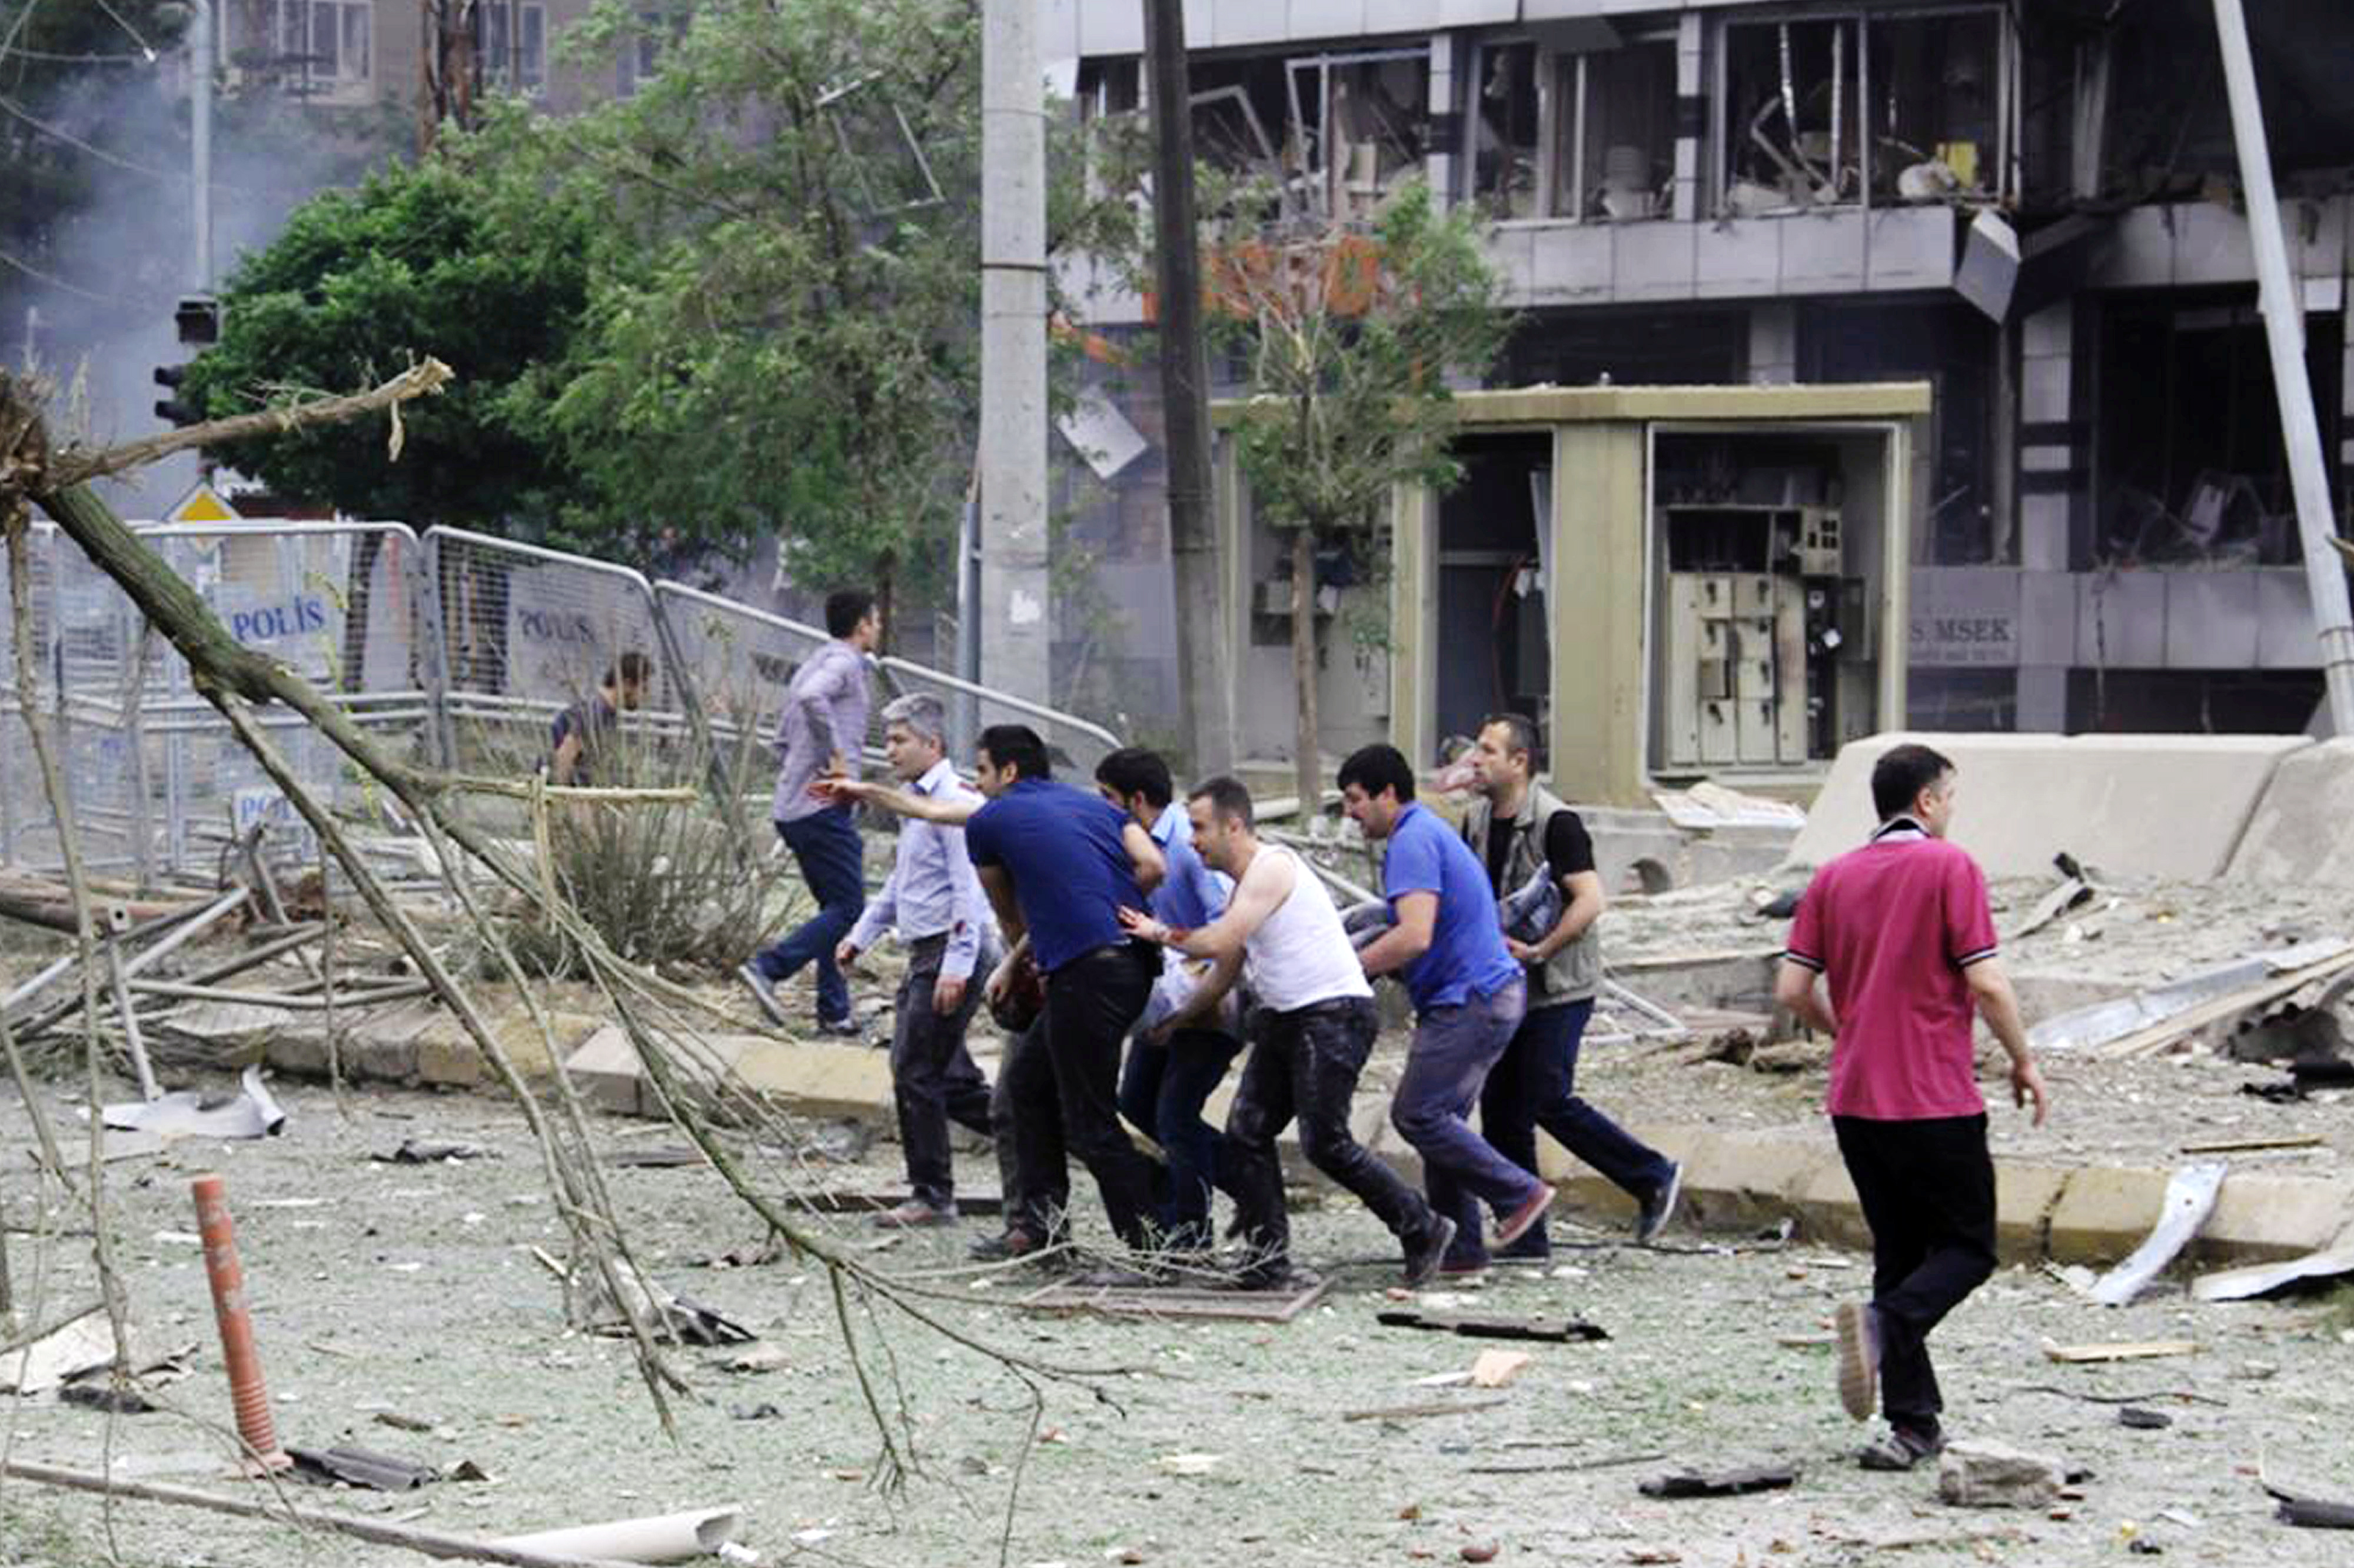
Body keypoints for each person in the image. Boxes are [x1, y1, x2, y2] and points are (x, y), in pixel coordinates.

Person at [1774, 742, 2050, 1472]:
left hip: (1856, 1099)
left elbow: (1792, 991)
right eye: (1949, 796)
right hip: (1933, 1095)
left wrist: (1848, 1031)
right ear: (1927, 801)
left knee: (1898, 1253)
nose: (1951, 810)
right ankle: (1883, 1327)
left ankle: (1912, 1424)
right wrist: (2022, 1058)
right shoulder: (1948, 867)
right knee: (1968, 1247)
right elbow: (1986, 982)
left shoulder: (1832, 877)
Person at [1121, 777, 1457, 1289]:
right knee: (1247, 1132)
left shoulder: (1272, 867)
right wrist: (1180, 1019)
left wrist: (1159, 932)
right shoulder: (1242, 888)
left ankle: (1422, 1226)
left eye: (1201, 828)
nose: (1193, 840)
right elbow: (1227, 968)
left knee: (1326, 1142)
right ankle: (1268, 1258)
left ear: (1234, 826)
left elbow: (1219, 941)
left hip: (1333, 1014)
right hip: (1284, 1017)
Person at [1462, 714, 1681, 1261]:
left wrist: (1541, 949)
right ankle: (1525, 1230)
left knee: (1546, 1095)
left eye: (1488, 750)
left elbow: (1590, 899)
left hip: (1558, 985)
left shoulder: (1556, 821)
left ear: (1520, 762)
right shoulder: (1476, 820)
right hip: (1504, 985)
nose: (1476, 760)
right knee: (1501, 1109)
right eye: (1477, 749)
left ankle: (1651, 1175)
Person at [1339, 743, 1552, 1270]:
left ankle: (1519, 1194)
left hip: (1472, 998)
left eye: (1356, 799)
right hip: (1479, 995)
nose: (1350, 812)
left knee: (1419, 1113)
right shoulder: (1422, 834)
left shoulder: (1412, 841)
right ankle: (1461, 1250)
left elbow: (1414, 935)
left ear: (1389, 793)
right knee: (1442, 1119)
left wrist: (1350, 969)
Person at [959, 725, 1169, 1258]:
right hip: (1131, 964)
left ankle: (1151, 1248)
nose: (977, 782)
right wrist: (1109, 906)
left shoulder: (988, 821)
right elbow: (1153, 865)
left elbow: (1010, 916)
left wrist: (1025, 965)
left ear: (1008, 772)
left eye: (981, 770)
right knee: (1027, 1087)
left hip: (1087, 975)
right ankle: (1043, 1230)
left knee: (1088, 1118)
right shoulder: (1097, 808)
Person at [836, 694, 998, 1228]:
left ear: (933, 743)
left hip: (949, 951)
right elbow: (903, 883)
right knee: (951, 1082)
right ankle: (1035, 1134)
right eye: (888, 739)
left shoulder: (953, 803)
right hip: (926, 950)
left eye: (900, 740)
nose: (890, 750)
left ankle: (932, 1194)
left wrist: (957, 965)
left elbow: (967, 892)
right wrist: (861, 935)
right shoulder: (913, 802)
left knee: (914, 1071)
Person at [1094, 747, 1241, 1253]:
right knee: (1137, 1101)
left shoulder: (1189, 845)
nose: (1102, 808)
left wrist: (1193, 993)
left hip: (1209, 1000)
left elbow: (1227, 931)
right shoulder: (1139, 849)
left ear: (1136, 800)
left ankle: (1192, 1231)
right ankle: (1241, 1185)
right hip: (1166, 997)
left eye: (1108, 797)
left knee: (1176, 1113)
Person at [741, 589, 879, 1038]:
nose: (879, 628)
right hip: (821, 810)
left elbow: (782, 739)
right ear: (862, 625)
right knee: (850, 907)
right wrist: (836, 757)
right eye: (876, 620)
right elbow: (812, 698)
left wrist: (804, 768)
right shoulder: (845, 665)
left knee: (834, 908)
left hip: (794, 808)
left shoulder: (812, 662)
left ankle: (834, 1012)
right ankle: (768, 967)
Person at [547, 651, 651, 786]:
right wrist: (561, 794)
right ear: (627, 684)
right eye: (644, 689)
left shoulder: (607, 712)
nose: (645, 696)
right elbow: (566, 754)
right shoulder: (595, 711)